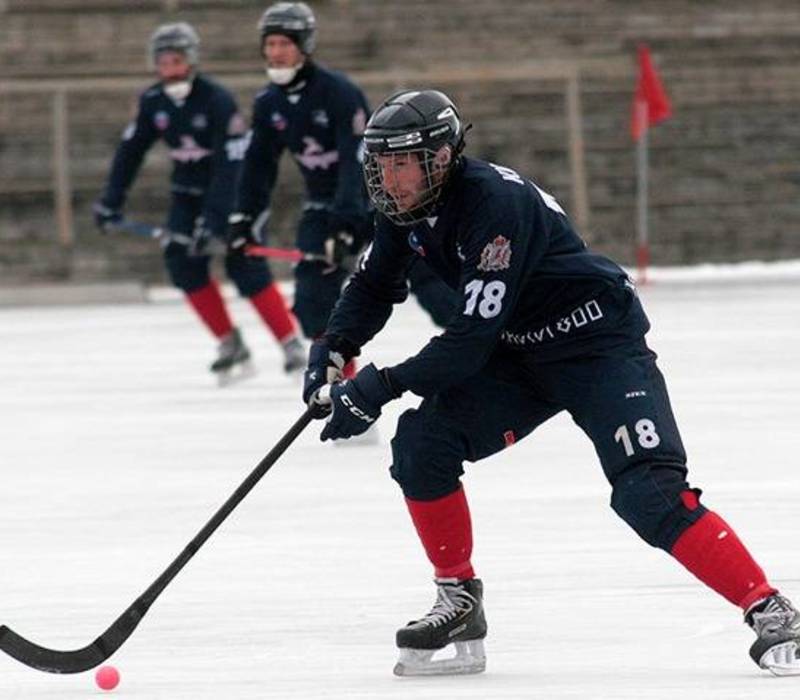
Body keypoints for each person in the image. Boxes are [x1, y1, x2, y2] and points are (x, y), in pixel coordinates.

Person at [301, 89, 800, 677]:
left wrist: (379, 385)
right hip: (519, 355)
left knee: (649, 492)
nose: (390, 178)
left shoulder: (495, 206)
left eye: (402, 162)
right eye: (381, 164)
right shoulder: (404, 211)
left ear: (442, 157)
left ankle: (772, 609)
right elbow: (373, 285)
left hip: (595, 346)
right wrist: (333, 347)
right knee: (421, 446)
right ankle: (459, 599)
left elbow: (465, 343)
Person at [226, 2, 456, 382]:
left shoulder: (339, 92)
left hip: (377, 202)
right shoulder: (268, 103)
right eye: (270, 44)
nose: (275, 52)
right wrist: (243, 218)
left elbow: (357, 164)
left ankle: (489, 352)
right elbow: (258, 166)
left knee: (432, 282)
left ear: (305, 45)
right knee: (314, 299)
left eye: (284, 43)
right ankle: (341, 391)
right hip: (323, 206)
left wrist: (346, 225)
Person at [94, 22, 304, 384]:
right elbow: (130, 152)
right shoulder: (154, 102)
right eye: (162, 63)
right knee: (182, 264)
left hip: (236, 194)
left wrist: (214, 221)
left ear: (190, 61)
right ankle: (229, 342)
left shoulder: (216, 100)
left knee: (246, 267)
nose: (168, 70)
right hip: (188, 195)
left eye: (175, 61)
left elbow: (230, 166)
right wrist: (110, 201)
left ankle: (290, 344)